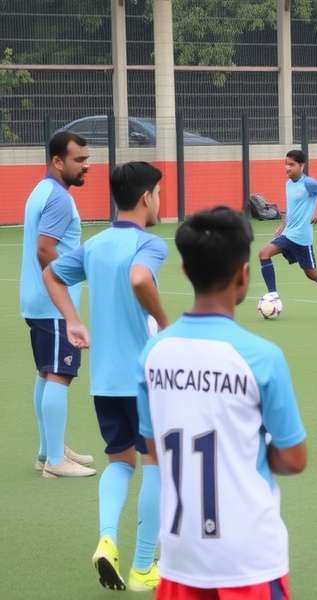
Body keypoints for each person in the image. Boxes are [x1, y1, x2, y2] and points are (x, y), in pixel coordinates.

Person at [137, 206, 307, 600]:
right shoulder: (261, 357)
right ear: (244, 274)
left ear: (184, 272)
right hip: (248, 558)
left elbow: (154, 449)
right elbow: (295, 459)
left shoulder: (153, 354)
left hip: (180, 557)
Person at [44, 162, 169, 591]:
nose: (160, 201)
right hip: (143, 378)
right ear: (146, 197)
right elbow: (139, 279)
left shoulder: (95, 246)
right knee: (156, 464)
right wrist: (164, 321)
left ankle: (106, 541)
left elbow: (52, 274)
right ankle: (141, 567)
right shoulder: (149, 245)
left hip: (104, 382)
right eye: (159, 193)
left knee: (120, 461)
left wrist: (72, 319)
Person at [19, 131, 95, 478]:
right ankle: (54, 461)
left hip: (37, 300)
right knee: (59, 374)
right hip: (52, 303)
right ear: (57, 161)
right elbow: (45, 249)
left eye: (86, 159)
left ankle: (47, 448)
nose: (86, 166)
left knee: (45, 373)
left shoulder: (42, 190)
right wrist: (67, 307)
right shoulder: (60, 200)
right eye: (79, 160)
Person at [257, 150, 317, 318]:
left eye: (292, 164)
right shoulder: (288, 184)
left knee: (312, 274)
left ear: (301, 166)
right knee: (264, 254)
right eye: (286, 164)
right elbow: (291, 207)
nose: (288, 168)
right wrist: (283, 224)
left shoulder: (308, 183)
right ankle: (272, 294)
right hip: (288, 234)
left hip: (302, 238)